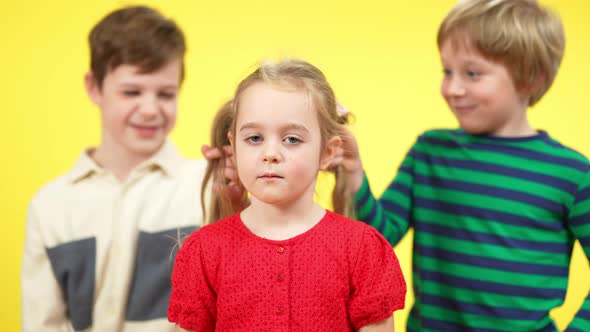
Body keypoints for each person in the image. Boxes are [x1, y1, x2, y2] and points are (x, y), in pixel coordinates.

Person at [335, 0, 590, 331]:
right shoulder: (430, 152)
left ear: (530, 78)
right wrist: (353, 173)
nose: (452, 88)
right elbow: (378, 239)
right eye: (447, 71)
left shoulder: (571, 173)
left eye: (472, 73)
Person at [168, 59, 407, 331]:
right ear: (233, 146)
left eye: (291, 139)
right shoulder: (203, 251)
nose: (270, 153)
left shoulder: (363, 249)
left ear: (327, 152)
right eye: (255, 138)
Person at [21, 6, 206, 331]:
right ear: (94, 87)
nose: (150, 110)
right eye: (131, 92)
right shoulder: (49, 205)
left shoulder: (207, 186)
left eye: (166, 94)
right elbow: (42, 323)